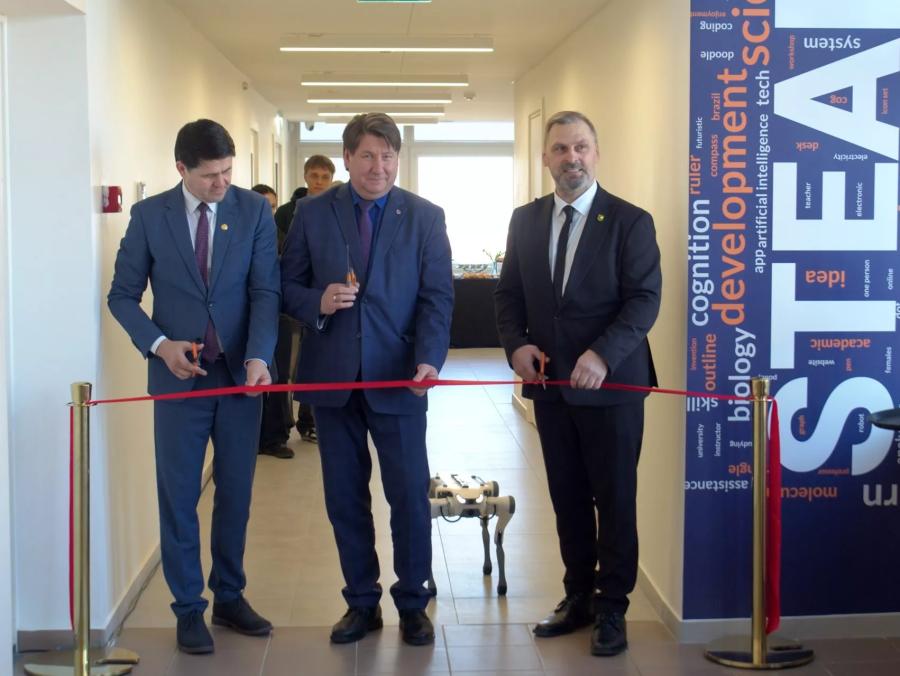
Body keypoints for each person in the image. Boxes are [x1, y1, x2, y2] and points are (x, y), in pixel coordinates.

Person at [108, 119, 280, 654]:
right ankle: (188, 608)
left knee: (236, 493)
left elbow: (265, 291)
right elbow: (121, 296)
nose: (222, 183)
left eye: (228, 171)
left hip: (238, 379)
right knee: (179, 496)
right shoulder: (149, 216)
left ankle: (229, 594)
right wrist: (160, 345)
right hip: (178, 379)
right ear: (181, 168)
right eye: (210, 175)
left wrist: (259, 356)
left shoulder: (252, 211)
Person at [280, 113, 453, 646]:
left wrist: (430, 359)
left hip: (400, 378)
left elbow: (437, 297)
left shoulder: (425, 216)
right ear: (347, 158)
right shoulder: (312, 213)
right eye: (368, 156)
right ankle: (361, 602)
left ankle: (413, 602)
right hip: (333, 381)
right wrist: (318, 301)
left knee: (409, 497)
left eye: (388, 156)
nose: (379, 167)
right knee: (345, 497)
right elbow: (285, 285)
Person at [494, 110, 661, 657]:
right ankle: (578, 597)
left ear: (596, 153)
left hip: (612, 389)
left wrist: (603, 355)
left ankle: (613, 607)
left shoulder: (630, 221)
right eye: (561, 148)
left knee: (614, 499)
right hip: (550, 386)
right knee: (567, 497)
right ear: (546, 158)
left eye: (581, 147)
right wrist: (516, 345)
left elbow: (644, 300)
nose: (572, 158)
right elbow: (509, 294)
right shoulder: (525, 220)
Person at [273, 155, 337, 444]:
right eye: (314, 176)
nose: (319, 182)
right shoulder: (287, 213)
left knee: (317, 364)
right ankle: (285, 422)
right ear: (305, 176)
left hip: (327, 301)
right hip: (298, 300)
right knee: (291, 366)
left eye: (325, 177)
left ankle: (309, 419)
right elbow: (283, 254)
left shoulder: (338, 210)